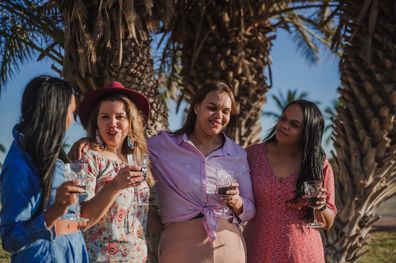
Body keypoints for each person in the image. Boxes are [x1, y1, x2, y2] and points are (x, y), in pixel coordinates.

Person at [148, 81, 255, 263]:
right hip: (178, 245)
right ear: (197, 107)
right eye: (212, 108)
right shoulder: (163, 145)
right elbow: (129, 146)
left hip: (227, 244)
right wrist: (89, 140)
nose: (219, 116)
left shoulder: (237, 154)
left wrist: (237, 201)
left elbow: (250, 208)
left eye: (226, 111)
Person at [0, 76, 89, 262]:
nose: (72, 121)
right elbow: (10, 240)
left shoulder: (52, 154)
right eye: (72, 113)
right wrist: (55, 211)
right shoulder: (19, 166)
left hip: (71, 253)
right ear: (55, 112)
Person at [243, 99, 337, 263]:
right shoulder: (253, 155)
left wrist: (321, 207)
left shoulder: (318, 165)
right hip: (256, 248)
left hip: (301, 253)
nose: (284, 125)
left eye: (294, 125)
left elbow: (328, 222)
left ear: (307, 133)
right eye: (283, 118)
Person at [76, 81, 153, 262]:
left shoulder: (140, 160)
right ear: (96, 122)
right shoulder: (89, 158)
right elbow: (81, 219)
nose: (113, 123)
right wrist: (114, 186)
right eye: (105, 117)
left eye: (120, 116)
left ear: (130, 121)